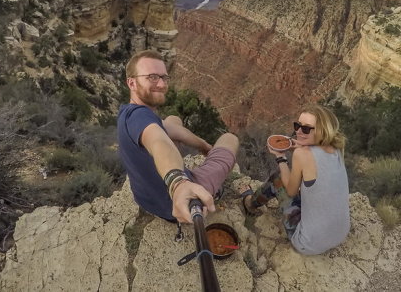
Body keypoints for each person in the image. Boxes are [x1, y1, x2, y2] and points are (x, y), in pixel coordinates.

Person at [117, 50, 239, 223]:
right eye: (152, 77)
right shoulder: (140, 117)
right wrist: (178, 183)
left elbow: (165, 129)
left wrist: (203, 145)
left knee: (173, 120)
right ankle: (209, 189)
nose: (161, 84)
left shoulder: (128, 113)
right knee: (229, 138)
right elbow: (158, 141)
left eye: (164, 77)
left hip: (147, 199)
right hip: (176, 203)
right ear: (132, 83)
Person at [240, 105, 350, 255]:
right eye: (297, 125)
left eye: (306, 129)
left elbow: (291, 191)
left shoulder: (301, 154)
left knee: (277, 179)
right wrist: (296, 144)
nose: (298, 131)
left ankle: (249, 204)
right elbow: (315, 155)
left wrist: (281, 158)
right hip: (340, 234)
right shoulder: (336, 148)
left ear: (322, 131)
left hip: (307, 243)